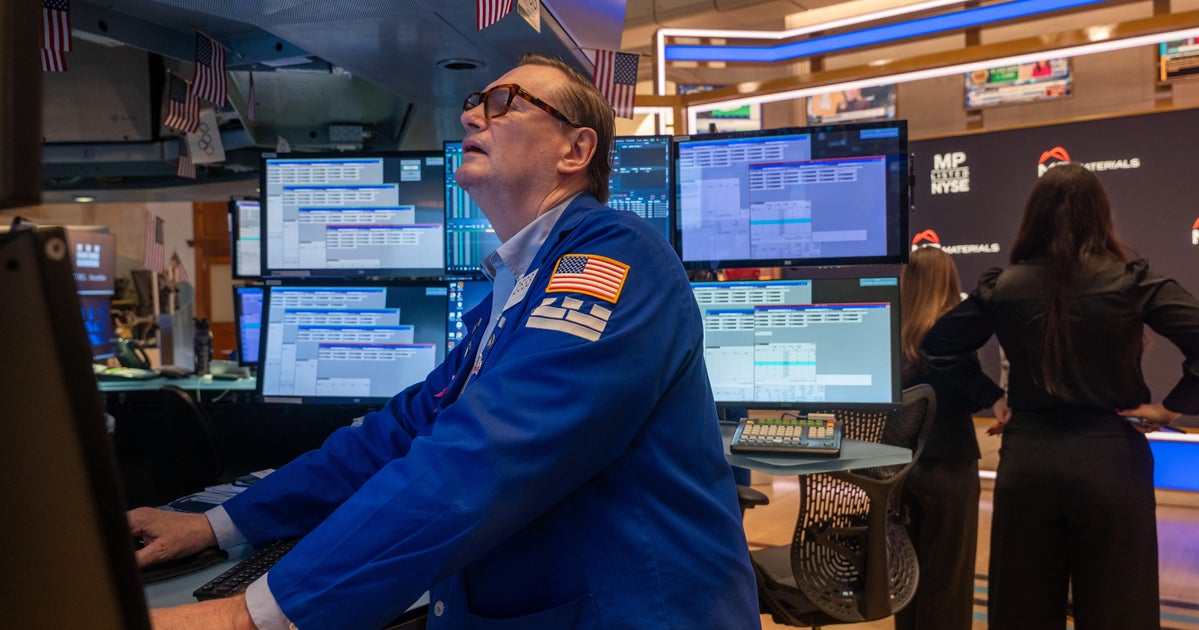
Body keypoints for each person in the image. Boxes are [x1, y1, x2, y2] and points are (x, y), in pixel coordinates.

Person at [129, 53, 760, 630]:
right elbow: (399, 432)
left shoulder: (615, 255)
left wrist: (253, 616)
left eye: (504, 102)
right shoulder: (513, 294)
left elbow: (485, 454)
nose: (471, 115)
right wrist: (215, 525)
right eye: (474, 102)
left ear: (576, 149)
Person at [922, 162, 1199, 630]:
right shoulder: (1131, 282)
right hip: (1112, 463)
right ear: (1101, 215)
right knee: (1120, 613)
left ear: (1033, 217)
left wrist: (992, 397)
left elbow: (938, 346)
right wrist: (1171, 409)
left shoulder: (1003, 287)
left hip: (1028, 463)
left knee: (1021, 614)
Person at [895, 246, 1004, 630]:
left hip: (899, 470)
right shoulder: (950, 338)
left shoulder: (894, 335)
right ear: (948, 282)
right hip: (950, 469)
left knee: (906, 581)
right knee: (948, 585)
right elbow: (968, 398)